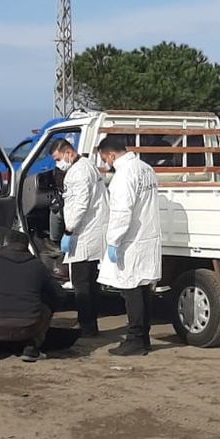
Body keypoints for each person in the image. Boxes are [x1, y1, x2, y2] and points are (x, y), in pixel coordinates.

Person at [96, 135, 162, 356]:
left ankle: (135, 339)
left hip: (131, 240)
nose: (106, 163)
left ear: (111, 155)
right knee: (143, 290)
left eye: (105, 159)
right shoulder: (146, 169)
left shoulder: (124, 176)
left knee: (131, 291)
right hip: (147, 237)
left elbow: (121, 213)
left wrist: (113, 241)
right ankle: (143, 338)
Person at [0, 230, 66, 362]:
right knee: (45, 308)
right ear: (26, 246)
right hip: (28, 328)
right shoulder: (37, 264)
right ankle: (32, 347)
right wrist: (40, 300)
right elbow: (60, 294)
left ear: (5, 244)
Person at [51, 138, 109, 337]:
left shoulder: (77, 173)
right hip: (93, 231)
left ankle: (86, 325)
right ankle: (90, 322)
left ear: (68, 153)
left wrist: (69, 231)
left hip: (83, 233)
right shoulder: (87, 165)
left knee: (81, 283)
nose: (58, 164)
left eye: (58, 159)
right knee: (91, 282)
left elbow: (80, 204)